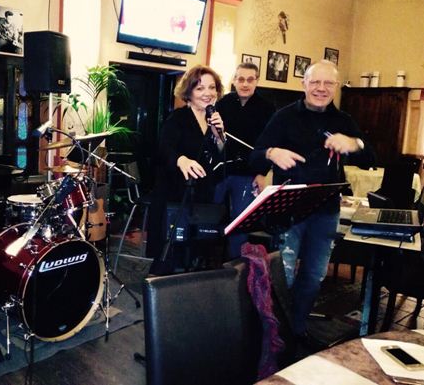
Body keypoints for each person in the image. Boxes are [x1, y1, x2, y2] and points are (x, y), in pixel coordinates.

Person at [249, 60, 376, 336]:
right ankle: (271, 335)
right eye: (315, 82)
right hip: (288, 210)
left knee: (314, 277)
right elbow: (254, 156)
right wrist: (271, 153)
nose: (321, 88)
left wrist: (355, 144)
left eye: (328, 83)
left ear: (336, 86)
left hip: (326, 211)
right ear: (304, 84)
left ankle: (296, 330)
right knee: (282, 276)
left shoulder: (344, 121)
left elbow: (371, 159)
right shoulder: (283, 117)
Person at [147, 65, 226, 272]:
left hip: (201, 195)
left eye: (212, 87)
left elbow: (220, 158)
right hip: (175, 194)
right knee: (169, 255)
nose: (207, 93)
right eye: (200, 88)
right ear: (189, 92)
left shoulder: (213, 120)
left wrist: (219, 137)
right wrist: (181, 160)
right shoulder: (178, 118)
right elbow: (164, 148)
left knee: (196, 254)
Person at [215, 62, 275, 258]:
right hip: (222, 169)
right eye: (241, 79)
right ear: (234, 80)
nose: (245, 84)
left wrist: (261, 173)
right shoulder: (223, 103)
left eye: (250, 80)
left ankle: (236, 264)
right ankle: (208, 259)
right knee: (211, 214)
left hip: (249, 173)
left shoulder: (267, 108)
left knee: (240, 220)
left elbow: (270, 144)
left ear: (257, 81)